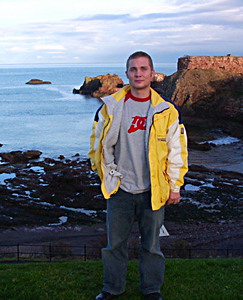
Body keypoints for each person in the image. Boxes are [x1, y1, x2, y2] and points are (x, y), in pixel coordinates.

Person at [89, 51, 188, 300]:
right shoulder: (111, 106)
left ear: (152, 74)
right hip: (119, 188)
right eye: (133, 69)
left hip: (153, 190)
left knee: (152, 246)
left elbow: (177, 151)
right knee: (115, 246)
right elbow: (97, 144)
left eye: (143, 69)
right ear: (127, 74)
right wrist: (103, 173)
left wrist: (175, 186)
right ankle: (112, 288)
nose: (138, 73)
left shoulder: (167, 111)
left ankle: (151, 289)